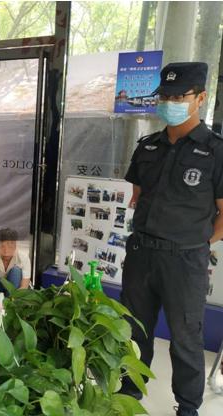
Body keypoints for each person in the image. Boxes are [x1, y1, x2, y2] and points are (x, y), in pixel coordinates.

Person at [121, 62, 223, 416]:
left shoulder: (216, 151)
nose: (170, 103)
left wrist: (196, 243)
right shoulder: (148, 146)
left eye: (179, 97)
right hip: (141, 254)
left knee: (185, 337)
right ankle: (129, 390)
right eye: (164, 96)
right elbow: (137, 196)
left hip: (185, 260)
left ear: (201, 98)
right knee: (134, 329)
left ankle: (188, 407)